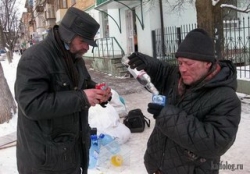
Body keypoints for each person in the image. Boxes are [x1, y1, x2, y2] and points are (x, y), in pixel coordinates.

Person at [127, 28, 241, 174]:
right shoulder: (177, 78)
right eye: (180, 63)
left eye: (189, 63)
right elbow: (161, 69)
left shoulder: (226, 98)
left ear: (207, 63)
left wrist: (166, 115)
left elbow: (216, 143)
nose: (182, 69)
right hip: (156, 166)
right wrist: (144, 61)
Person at [14, 7, 112, 174]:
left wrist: (99, 93)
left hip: (70, 154)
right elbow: (31, 105)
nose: (87, 47)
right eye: (83, 41)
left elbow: (84, 84)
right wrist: (81, 98)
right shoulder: (35, 58)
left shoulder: (75, 58)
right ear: (68, 36)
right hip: (44, 162)